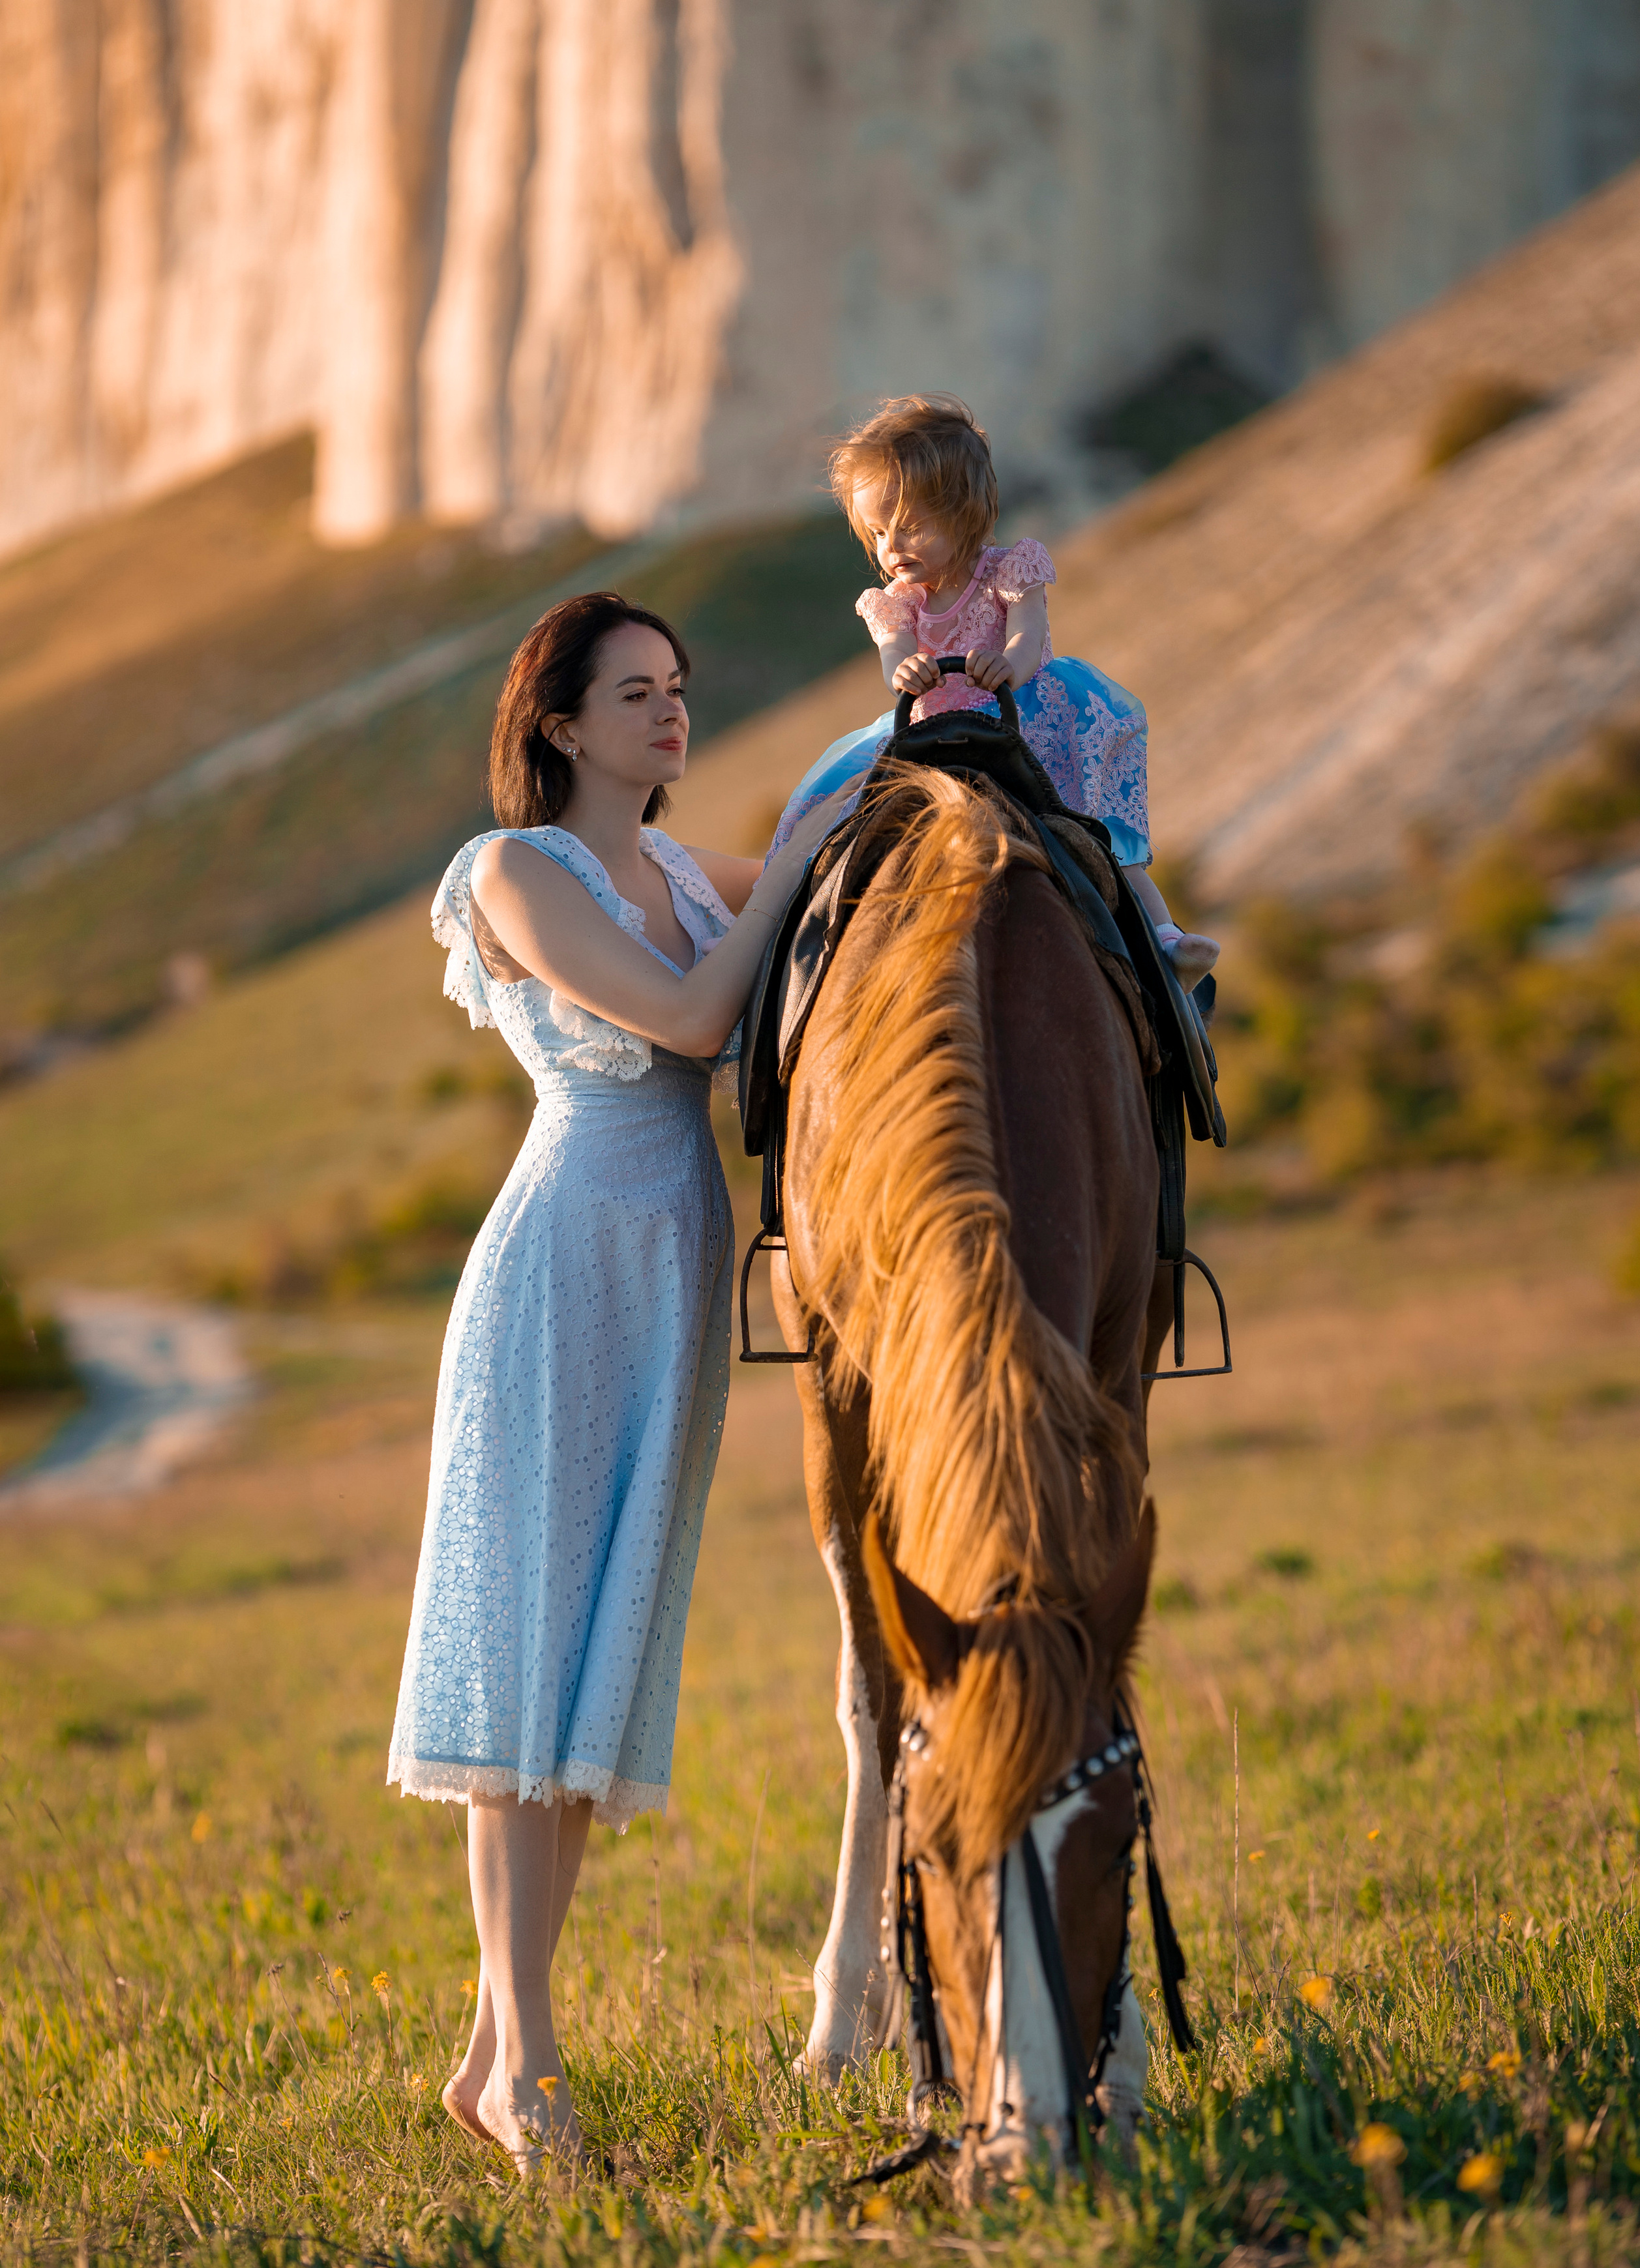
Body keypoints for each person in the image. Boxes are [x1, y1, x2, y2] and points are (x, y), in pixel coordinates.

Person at [387, 591, 828, 2175]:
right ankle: (534, 2073)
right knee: (519, 1679)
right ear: (559, 721)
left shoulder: (676, 870)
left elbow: (812, 881)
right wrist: (785, 863)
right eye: (634, 692)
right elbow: (696, 1014)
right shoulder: (520, 870)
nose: (670, 713)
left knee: (582, 1687)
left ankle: (492, 2055)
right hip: (560, 1270)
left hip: (669, 1283)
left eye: (679, 688)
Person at [768, 394, 1218, 990]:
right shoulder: (897, 603)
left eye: (910, 527)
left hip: (1022, 718)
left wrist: (1005, 663)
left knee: (1094, 832)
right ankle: (809, 963)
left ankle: (1163, 938)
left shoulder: (1011, 573)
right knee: (842, 833)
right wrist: (905, 671)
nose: (891, 548)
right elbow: (895, 657)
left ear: (963, 512)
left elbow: (1029, 641)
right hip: (934, 730)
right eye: (878, 532)